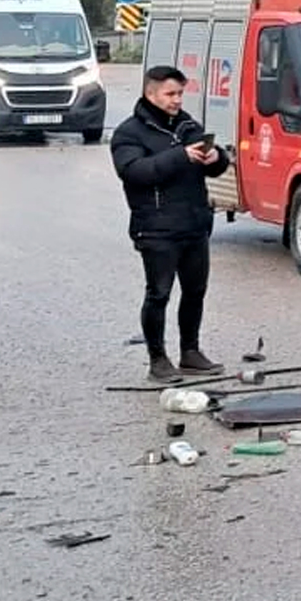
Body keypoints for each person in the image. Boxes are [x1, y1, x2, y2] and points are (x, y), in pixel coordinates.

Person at [109, 65, 232, 385]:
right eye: (171, 94)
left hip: (194, 224)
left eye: (180, 93)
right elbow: (134, 172)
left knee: (195, 292)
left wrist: (215, 157)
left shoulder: (188, 125)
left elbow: (216, 167)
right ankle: (158, 359)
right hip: (156, 227)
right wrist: (181, 156)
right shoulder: (129, 133)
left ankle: (190, 352)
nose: (177, 100)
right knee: (159, 294)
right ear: (151, 94)